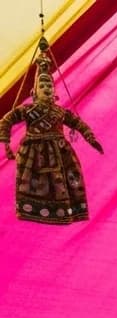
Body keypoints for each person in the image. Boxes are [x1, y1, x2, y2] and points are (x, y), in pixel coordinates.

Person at [0, 37, 102, 224]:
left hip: (60, 151)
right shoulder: (27, 110)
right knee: (36, 182)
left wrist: (90, 137)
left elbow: (77, 123)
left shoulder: (60, 112)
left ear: (54, 92)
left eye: (49, 86)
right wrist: (5, 143)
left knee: (66, 179)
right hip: (34, 152)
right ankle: (36, 209)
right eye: (42, 85)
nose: (46, 88)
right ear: (34, 92)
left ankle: (66, 210)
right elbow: (6, 119)